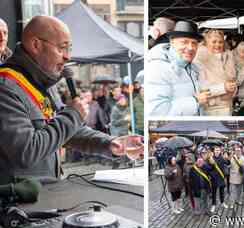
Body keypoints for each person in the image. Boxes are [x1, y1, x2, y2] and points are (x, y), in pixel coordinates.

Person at [0, 16, 142, 184]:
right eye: (62, 48)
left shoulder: (42, 82)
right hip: (17, 202)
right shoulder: (6, 85)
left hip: (45, 194)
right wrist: (73, 115)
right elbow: (25, 152)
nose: (67, 56)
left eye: (69, 48)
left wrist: (110, 143)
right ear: (36, 45)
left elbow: (66, 131)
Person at [148, 21, 209, 116]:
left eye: (194, 43)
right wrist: (195, 101)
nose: (190, 47)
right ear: (172, 42)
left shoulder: (192, 67)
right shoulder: (158, 68)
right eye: (184, 42)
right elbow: (157, 112)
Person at [194, 29, 237, 116]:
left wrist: (234, 89)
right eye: (214, 42)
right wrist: (223, 88)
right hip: (211, 108)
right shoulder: (199, 59)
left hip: (228, 105)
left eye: (220, 42)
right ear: (206, 42)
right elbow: (200, 88)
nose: (217, 45)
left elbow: (233, 79)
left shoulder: (228, 56)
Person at [208, 146, 229, 212]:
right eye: (216, 150)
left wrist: (227, 158)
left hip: (221, 177)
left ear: (220, 151)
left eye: (218, 150)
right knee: (214, 192)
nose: (217, 151)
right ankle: (213, 204)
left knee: (222, 192)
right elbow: (209, 169)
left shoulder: (222, 158)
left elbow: (228, 163)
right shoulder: (211, 158)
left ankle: (222, 202)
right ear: (214, 151)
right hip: (214, 178)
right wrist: (211, 165)